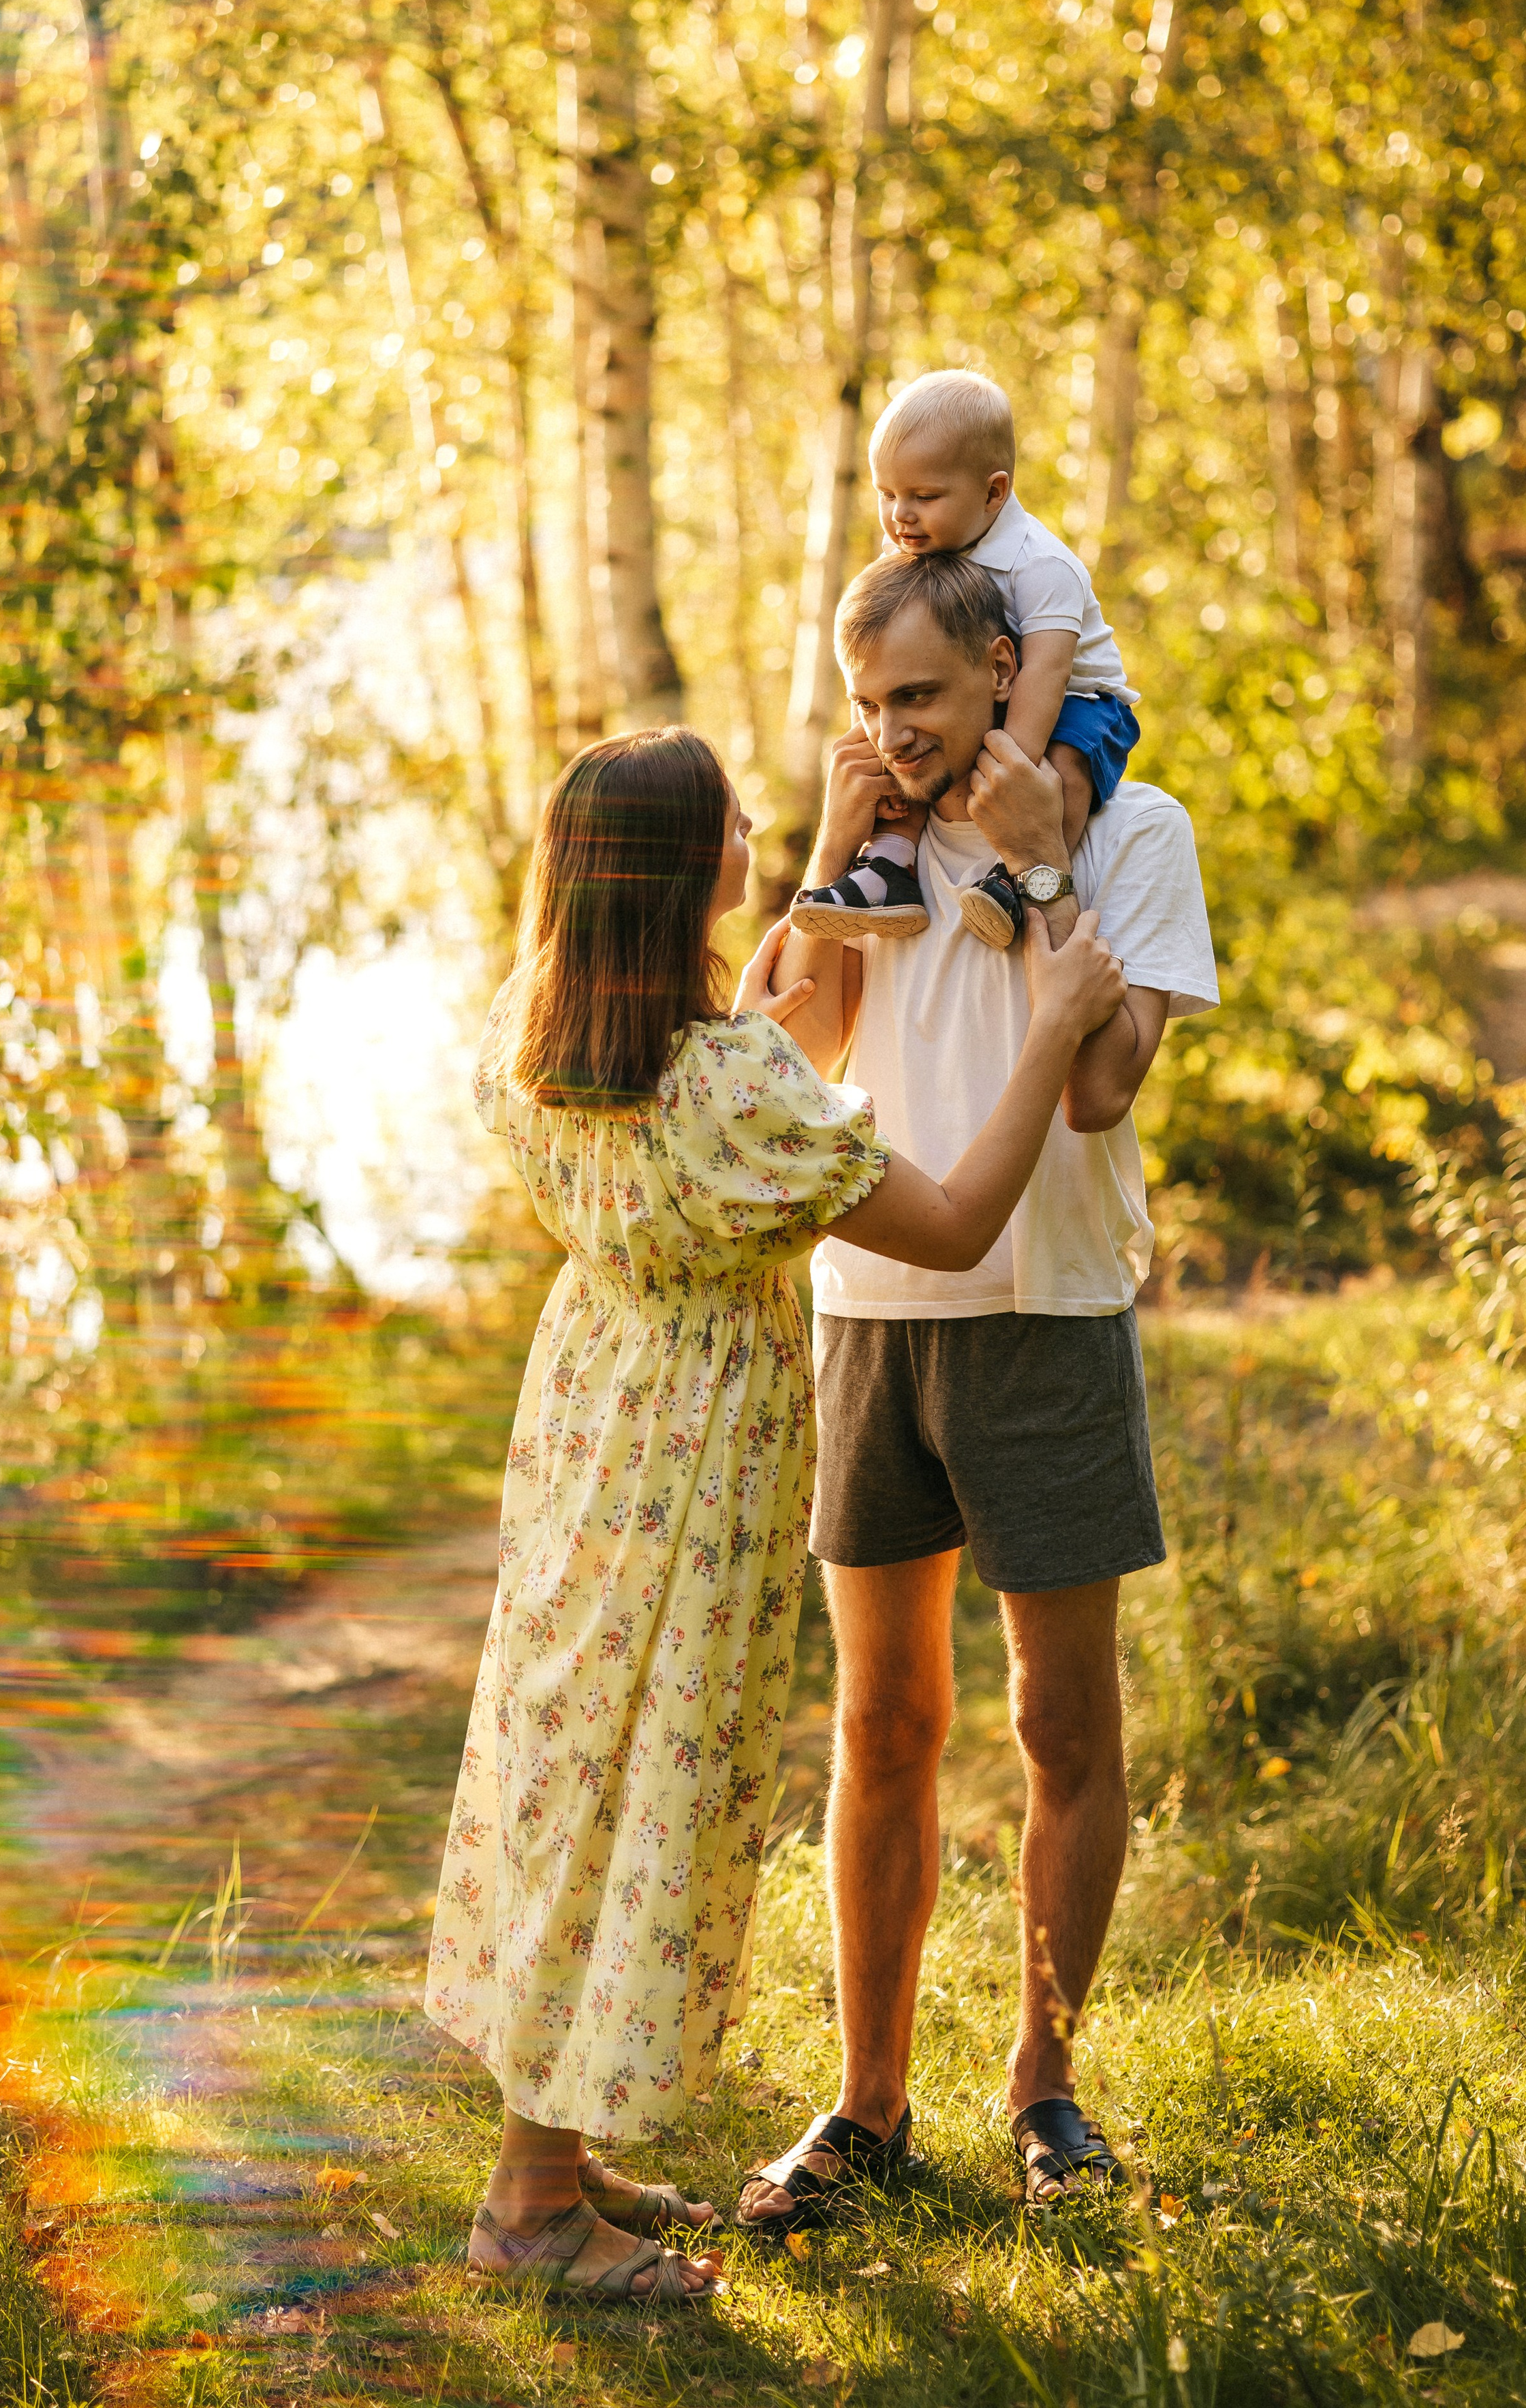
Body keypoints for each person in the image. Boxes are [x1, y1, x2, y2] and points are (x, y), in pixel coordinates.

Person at [426, 725, 1126, 2306]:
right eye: (736, 819)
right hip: (686, 1475)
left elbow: (746, 1097)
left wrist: (819, 858)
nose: (757, 826)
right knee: (632, 1794)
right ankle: (530, 2203)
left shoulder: (535, 1034)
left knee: (569, 1768)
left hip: (586, 1432)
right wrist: (1050, 1026)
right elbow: (944, 1225)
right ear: (688, 874)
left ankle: (560, 2146)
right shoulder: (724, 1085)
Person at [738, 551, 1218, 2234]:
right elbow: (773, 1072)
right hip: (865, 1310)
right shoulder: (865, 848)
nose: (896, 733)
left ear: (1002, 669)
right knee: (882, 1726)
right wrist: (821, 843)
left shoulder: (1126, 832)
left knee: (1057, 1723)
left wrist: (1029, 868)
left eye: (923, 699)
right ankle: (867, 2107)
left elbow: (1095, 1088)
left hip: (1048, 1314)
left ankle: (1044, 2086)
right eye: (868, 705)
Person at [789, 367, 1141, 948]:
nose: (901, 515)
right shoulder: (915, 542)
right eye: (887, 494)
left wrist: (1009, 775)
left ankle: (1018, 875)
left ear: (993, 492)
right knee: (903, 752)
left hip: (1081, 699)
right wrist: (884, 745)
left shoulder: (1043, 567)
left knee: (1066, 764)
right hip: (988, 698)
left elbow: (1046, 673)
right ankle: (888, 867)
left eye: (924, 497)